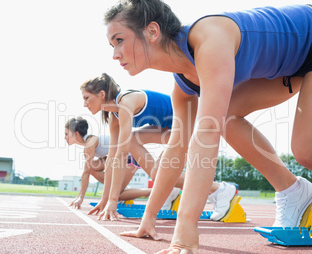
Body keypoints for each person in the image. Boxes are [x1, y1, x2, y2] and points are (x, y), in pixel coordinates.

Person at [104, 1, 312, 254]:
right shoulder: (183, 86)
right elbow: (175, 150)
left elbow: (207, 132)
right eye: (112, 45)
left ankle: (294, 188)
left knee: (310, 151)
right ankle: (292, 190)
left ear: (152, 32)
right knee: (228, 116)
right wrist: (149, 218)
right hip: (292, 63)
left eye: (119, 40)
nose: (115, 54)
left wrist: (186, 226)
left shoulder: (209, 39)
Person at [80, 73, 237, 221]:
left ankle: (220, 190)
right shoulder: (114, 115)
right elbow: (112, 157)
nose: (84, 104)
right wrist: (105, 199)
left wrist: (113, 200)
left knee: (157, 172)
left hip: (187, 122)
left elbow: (121, 155)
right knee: (147, 160)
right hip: (169, 127)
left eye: (87, 98)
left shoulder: (125, 102)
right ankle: (171, 190)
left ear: (101, 94)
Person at [64, 117, 151, 209]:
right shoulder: (89, 145)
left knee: (115, 195)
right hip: (120, 157)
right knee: (92, 168)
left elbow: (85, 172)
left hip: (132, 155)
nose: (65, 137)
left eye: (66, 134)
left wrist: (80, 197)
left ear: (76, 134)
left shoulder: (90, 143)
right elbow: (92, 168)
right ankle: (122, 190)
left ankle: (151, 191)